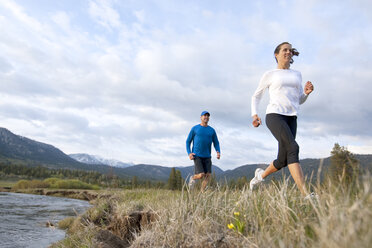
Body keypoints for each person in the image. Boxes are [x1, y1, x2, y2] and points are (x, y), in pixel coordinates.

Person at [249, 42, 314, 198]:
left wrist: (306, 93)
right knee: (293, 148)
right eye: (285, 50)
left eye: (290, 50)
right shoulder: (270, 74)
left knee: (283, 159)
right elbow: (256, 95)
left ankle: (260, 176)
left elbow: (299, 100)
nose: (288, 52)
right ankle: (306, 196)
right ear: (276, 54)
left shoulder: (297, 74)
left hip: (291, 117)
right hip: (274, 115)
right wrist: (254, 114)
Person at [186, 111, 221, 191]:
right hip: (197, 155)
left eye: (208, 116)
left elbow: (216, 142)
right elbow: (188, 141)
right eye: (204, 115)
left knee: (208, 176)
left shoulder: (211, 130)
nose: (206, 117)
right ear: (201, 117)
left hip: (207, 156)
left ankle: (202, 192)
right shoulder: (195, 128)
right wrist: (189, 153)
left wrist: (218, 151)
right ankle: (193, 178)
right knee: (201, 175)